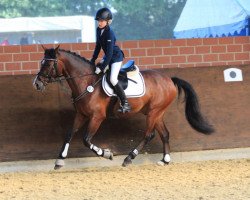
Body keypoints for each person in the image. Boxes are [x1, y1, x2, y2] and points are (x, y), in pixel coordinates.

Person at [90, 7, 131, 113]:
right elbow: (98, 46)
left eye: (102, 21)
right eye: (98, 20)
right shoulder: (98, 30)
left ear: (108, 21)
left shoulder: (110, 33)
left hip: (116, 58)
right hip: (108, 56)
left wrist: (103, 67)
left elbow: (109, 54)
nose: (99, 22)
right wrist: (93, 60)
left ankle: (125, 103)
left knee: (113, 79)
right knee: (97, 70)